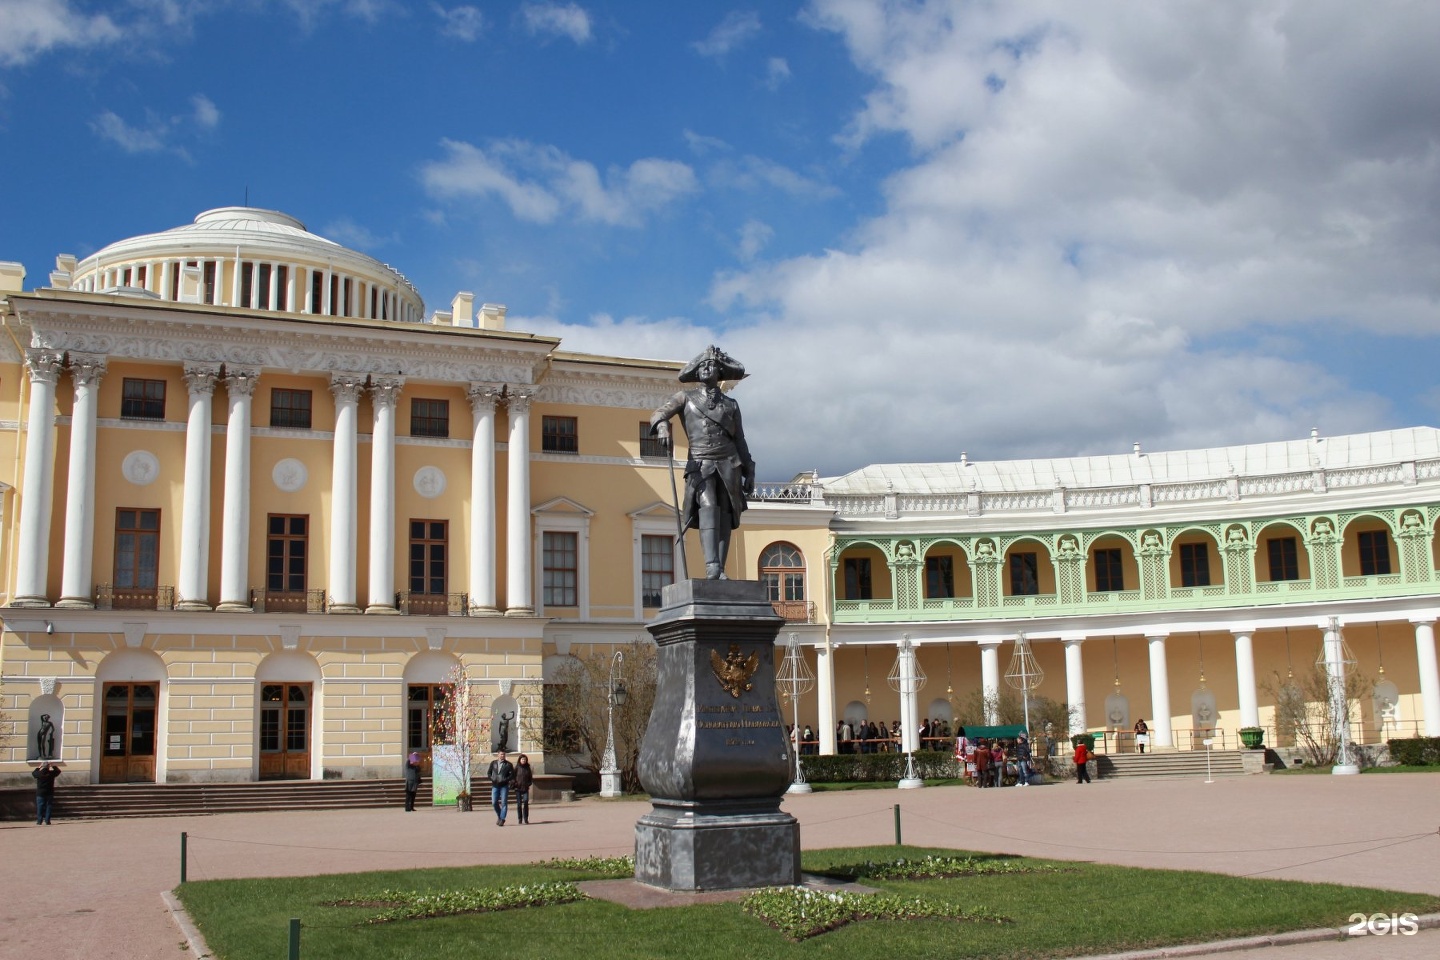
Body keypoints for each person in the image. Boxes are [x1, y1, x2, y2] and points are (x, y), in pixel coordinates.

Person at [649, 345, 755, 579]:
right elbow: (658, 414)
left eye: (711, 365)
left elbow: (740, 440)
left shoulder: (731, 405)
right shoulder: (685, 398)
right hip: (700, 462)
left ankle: (721, 569)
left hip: (729, 463)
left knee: (726, 513)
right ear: (697, 373)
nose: (706, 368)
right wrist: (663, 426)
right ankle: (712, 566)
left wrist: (750, 470)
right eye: (702, 366)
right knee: (708, 506)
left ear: (719, 373)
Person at [486, 749, 516, 825]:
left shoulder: (508, 764)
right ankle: (499, 815)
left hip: (504, 786)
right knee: (494, 802)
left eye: (503, 754)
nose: (502, 756)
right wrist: (492, 778)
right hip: (495, 785)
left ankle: (502, 819)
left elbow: (512, 775)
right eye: (501, 754)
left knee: (504, 803)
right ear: (498, 755)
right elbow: (489, 773)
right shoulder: (493, 763)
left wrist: (505, 779)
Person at [513, 753, 534, 825]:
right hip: (518, 788)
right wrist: (515, 783)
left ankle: (526, 818)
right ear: (520, 760)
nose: (523, 760)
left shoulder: (528, 768)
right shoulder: (517, 767)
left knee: (525, 802)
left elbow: (530, 778)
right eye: (522, 759)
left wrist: (529, 783)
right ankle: (520, 818)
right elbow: (513, 777)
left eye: (525, 759)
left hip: (525, 788)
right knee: (519, 804)